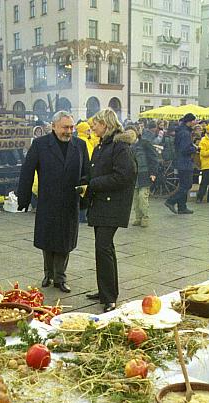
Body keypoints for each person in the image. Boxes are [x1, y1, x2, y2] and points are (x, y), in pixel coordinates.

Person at [17, 111, 89, 293]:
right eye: (65, 127)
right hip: (48, 200)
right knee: (47, 240)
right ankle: (48, 273)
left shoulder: (79, 145)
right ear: (54, 126)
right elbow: (27, 171)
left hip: (70, 201)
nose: (69, 131)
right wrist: (23, 198)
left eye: (71, 127)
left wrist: (85, 195)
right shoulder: (41, 145)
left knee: (65, 241)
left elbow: (86, 173)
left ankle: (60, 278)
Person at [82, 108, 136, 312]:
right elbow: (95, 170)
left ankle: (109, 297)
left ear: (106, 124)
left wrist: (94, 184)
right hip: (102, 204)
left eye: (95, 123)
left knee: (103, 248)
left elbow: (124, 176)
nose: (92, 126)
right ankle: (105, 290)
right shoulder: (103, 145)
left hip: (113, 205)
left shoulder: (119, 146)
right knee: (104, 249)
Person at [164, 113, 196, 215]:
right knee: (187, 185)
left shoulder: (182, 131)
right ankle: (171, 201)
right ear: (189, 122)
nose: (195, 123)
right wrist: (195, 148)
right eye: (194, 121)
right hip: (184, 162)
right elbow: (185, 149)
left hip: (180, 162)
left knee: (183, 185)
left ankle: (182, 207)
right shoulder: (185, 133)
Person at [127, 124, 158, 227]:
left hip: (145, 174)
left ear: (136, 133)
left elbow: (153, 158)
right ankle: (138, 217)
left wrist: (153, 173)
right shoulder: (126, 146)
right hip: (133, 176)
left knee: (142, 197)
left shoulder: (145, 143)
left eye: (131, 133)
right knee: (135, 198)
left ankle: (145, 217)